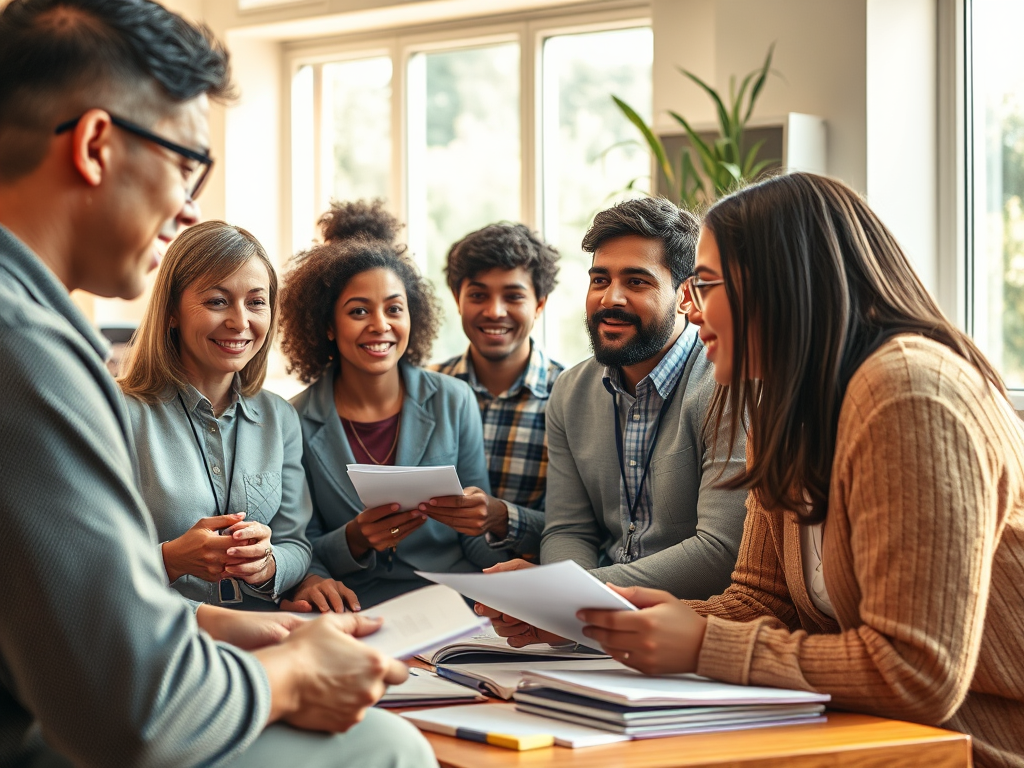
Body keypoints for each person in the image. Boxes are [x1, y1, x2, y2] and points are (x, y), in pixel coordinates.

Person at [0, 1, 435, 765]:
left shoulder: (31, 327)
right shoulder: (28, 350)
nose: (189, 206)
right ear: (97, 144)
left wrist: (226, 625)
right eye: (185, 163)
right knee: (389, 749)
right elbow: (130, 712)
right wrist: (292, 672)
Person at [575, 173, 1024, 768]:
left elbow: (918, 673)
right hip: (867, 733)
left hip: (972, 741)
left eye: (705, 285)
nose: (691, 307)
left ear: (782, 286)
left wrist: (703, 643)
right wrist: (617, 622)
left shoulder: (910, 393)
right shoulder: (786, 402)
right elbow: (762, 600)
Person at [278, 237, 511, 611]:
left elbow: (474, 539)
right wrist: (354, 538)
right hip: (355, 606)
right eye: (358, 312)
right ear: (328, 326)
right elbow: (301, 544)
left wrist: (494, 527)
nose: (380, 325)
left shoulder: (454, 399)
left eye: (394, 309)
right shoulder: (293, 420)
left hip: (453, 603)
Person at [119, 220, 312, 610]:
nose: (240, 321)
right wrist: (171, 560)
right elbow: (84, 562)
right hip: (165, 637)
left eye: (256, 302)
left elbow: (296, 542)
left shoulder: (280, 417)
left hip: (262, 630)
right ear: (172, 312)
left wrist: (271, 563)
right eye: (217, 301)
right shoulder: (118, 411)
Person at [429, 222, 563, 558]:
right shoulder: (426, 391)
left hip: (531, 586)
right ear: (457, 300)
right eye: (478, 295)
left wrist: (503, 517)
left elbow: (580, 529)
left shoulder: (571, 397)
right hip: (433, 584)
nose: (494, 311)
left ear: (540, 305)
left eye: (514, 296)